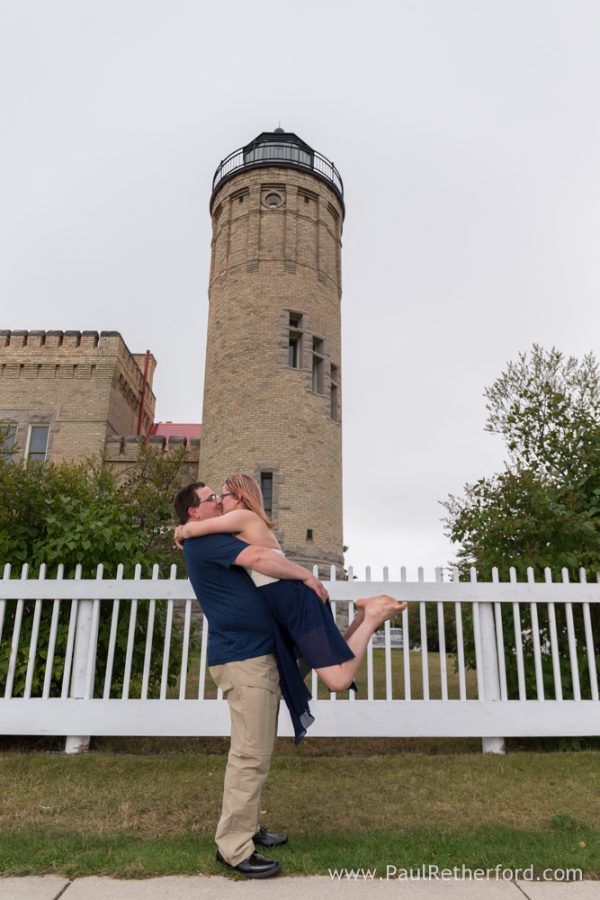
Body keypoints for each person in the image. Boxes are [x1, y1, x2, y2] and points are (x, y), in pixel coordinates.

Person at [173, 480, 330, 880]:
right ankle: (234, 847)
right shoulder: (207, 541)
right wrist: (307, 577)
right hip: (245, 659)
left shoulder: (213, 535)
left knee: (254, 749)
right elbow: (260, 557)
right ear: (194, 512)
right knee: (249, 754)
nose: (219, 503)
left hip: (255, 655)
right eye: (211, 499)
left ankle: (249, 826)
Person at [174, 473, 407, 734]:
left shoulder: (243, 517)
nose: (218, 502)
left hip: (291, 601)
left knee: (339, 679)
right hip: (286, 603)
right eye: (214, 498)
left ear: (238, 497)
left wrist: (182, 530)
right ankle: (361, 617)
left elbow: (196, 529)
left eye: (222, 496)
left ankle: (371, 617)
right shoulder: (241, 523)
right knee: (329, 662)